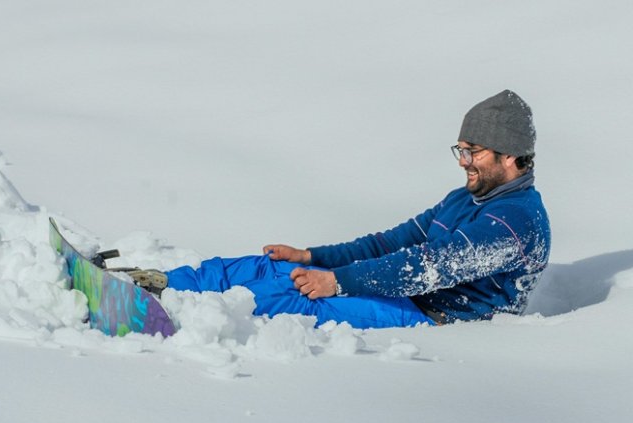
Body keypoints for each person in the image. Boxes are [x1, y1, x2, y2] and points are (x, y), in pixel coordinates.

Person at [131, 90, 551, 329]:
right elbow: (393, 242)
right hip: (401, 292)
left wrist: (337, 282)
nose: (463, 161)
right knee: (268, 268)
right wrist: (314, 258)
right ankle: (162, 284)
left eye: (473, 151)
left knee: (292, 296)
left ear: (511, 155)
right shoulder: (467, 198)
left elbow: (427, 267)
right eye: (461, 149)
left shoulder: (515, 223)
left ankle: (175, 320)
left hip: (432, 316)